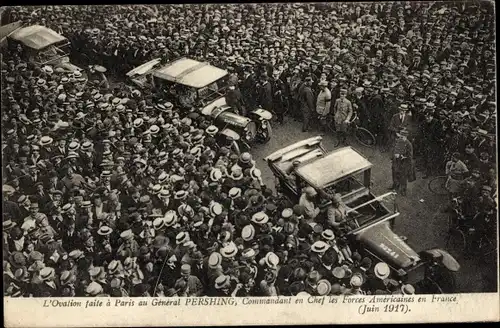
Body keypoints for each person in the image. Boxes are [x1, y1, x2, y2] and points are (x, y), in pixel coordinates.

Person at [390, 128, 415, 196]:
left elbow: (410, 156)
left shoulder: (409, 145)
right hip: (396, 162)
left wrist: (400, 156)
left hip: (404, 164)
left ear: (405, 137)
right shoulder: (398, 141)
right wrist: (392, 158)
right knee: (394, 174)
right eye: (400, 136)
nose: (400, 138)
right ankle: (395, 186)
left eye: (402, 137)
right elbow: (394, 150)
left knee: (403, 177)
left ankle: (403, 190)